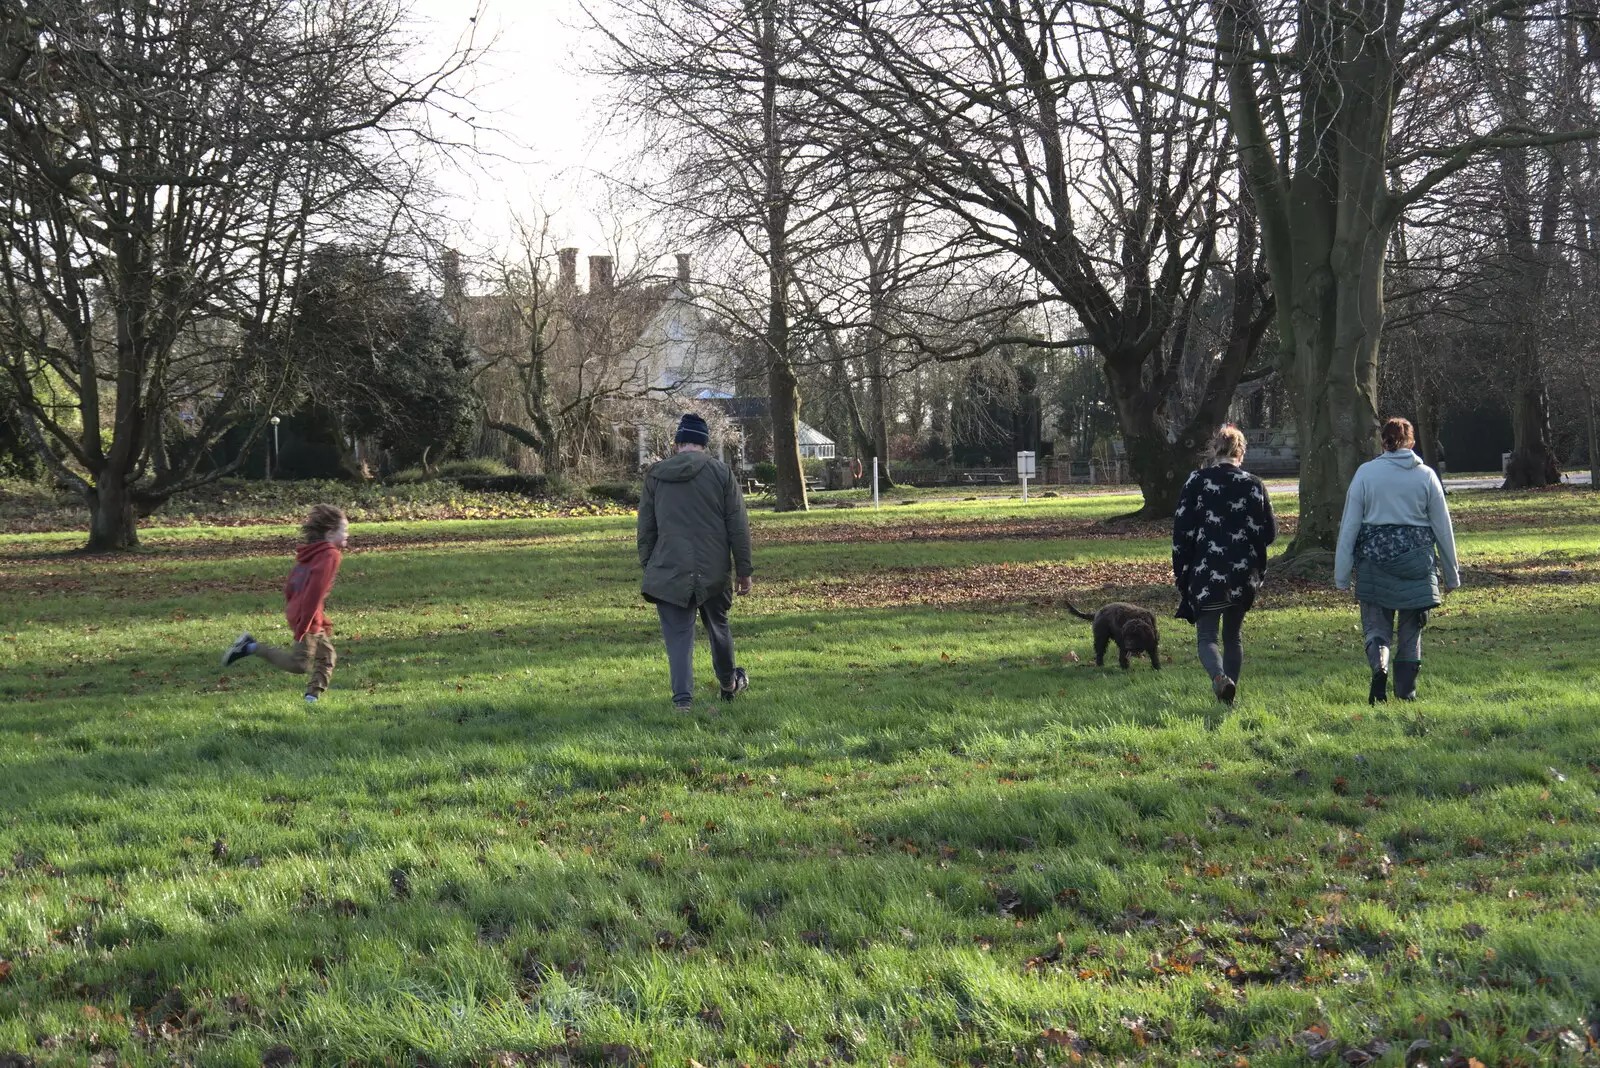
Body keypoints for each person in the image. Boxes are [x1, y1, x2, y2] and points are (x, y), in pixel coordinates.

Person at [1335, 417, 1459, 703]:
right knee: (1411, 631)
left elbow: (1350, 526)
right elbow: (1442, 526)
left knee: (1376, 627)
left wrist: (1342, 575)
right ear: (1412, 443)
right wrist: (1452, 574)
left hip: (1373, 562)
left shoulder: (1365, 474)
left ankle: (1379, 669)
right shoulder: (1426, 476)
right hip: (1417, 563)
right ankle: (1406, 692)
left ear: (1384, 442)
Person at [637, 413, 754, 711]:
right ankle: (729, 684)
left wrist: (650, 565)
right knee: (718, 627)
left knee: (678, 638)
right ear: (704, 444)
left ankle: (683, 703)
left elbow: (646, 529)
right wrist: (744, 571)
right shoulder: (721, 473)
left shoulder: (655, 476)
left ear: (677, 444)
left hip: (668, 569)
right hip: (713, 569)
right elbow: (738, 527)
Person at [1172, 425, 1278, 704]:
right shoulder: (1254, 484)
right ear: (1240, 453)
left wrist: (1182, 572)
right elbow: (1269, 532)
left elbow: (1182, 530)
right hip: (1243, 574)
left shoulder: (1196, 481)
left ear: (1214, 451)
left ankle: (1220, 679)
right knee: (1233, 636)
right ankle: (1227, 699)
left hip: (1206, 571)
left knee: (1206, 637)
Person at [221, 504, 347, 703]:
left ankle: (311, 699)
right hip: (307, 617)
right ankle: (250, 647)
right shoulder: (330, 554)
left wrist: (305, 613)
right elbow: (315, 591)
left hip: (302, 612)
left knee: (327, 656)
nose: (348, 535)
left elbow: (291, 585)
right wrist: (305, 624)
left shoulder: (309, 553)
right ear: (330, 532)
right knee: (299, 665)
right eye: (344, 530)